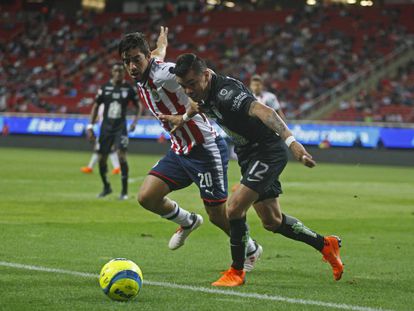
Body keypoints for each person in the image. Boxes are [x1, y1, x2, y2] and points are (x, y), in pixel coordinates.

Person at [160, 53, 344, 287]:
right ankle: (326, 245)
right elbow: (196, 105)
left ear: (206, 75)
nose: (188, 91)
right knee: (272, 221)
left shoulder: (228, 94)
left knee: (234, 209)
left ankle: (236, 271)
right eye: (183, 86)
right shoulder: (201, 92)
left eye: (192, 84)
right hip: (248, 154)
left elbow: (266, 112)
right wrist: (182, 118)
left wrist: (293, 143)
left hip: (267, 151)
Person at [118, 29, 262, 270]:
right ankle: (189, 221)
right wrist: (162, 41)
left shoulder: (164, 74)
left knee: (218, 215)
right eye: (126, 61)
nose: (132, 66)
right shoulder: (146, 70)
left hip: (205, 148)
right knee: (147, 197)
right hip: (180, 149)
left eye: (136, 60)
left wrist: (186, 114)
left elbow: (204, 83)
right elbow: (158, 52)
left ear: (146, 57)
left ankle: (251, 249)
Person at [86, 62, 141, 200]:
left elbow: (138, 106)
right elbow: (95, 106)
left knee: (121, 157)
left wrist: (135, 122)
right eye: (116, 71)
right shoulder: (104, 88)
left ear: (124, 73)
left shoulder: (128, 88)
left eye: (121, 71)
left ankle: (124, 192)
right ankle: (106, 187)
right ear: (112, 72)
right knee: (101, 159)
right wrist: (90, 126)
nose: (118, 73)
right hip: (105, 128)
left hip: (120, 128)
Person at [81, 105, 120, 175]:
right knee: (107, 149)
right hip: (104, 129)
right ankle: (117, 168)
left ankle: (90, 167)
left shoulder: (107, 104)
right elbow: (99, 117)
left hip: (107, 129)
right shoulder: (102, 105)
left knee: (100, 149)